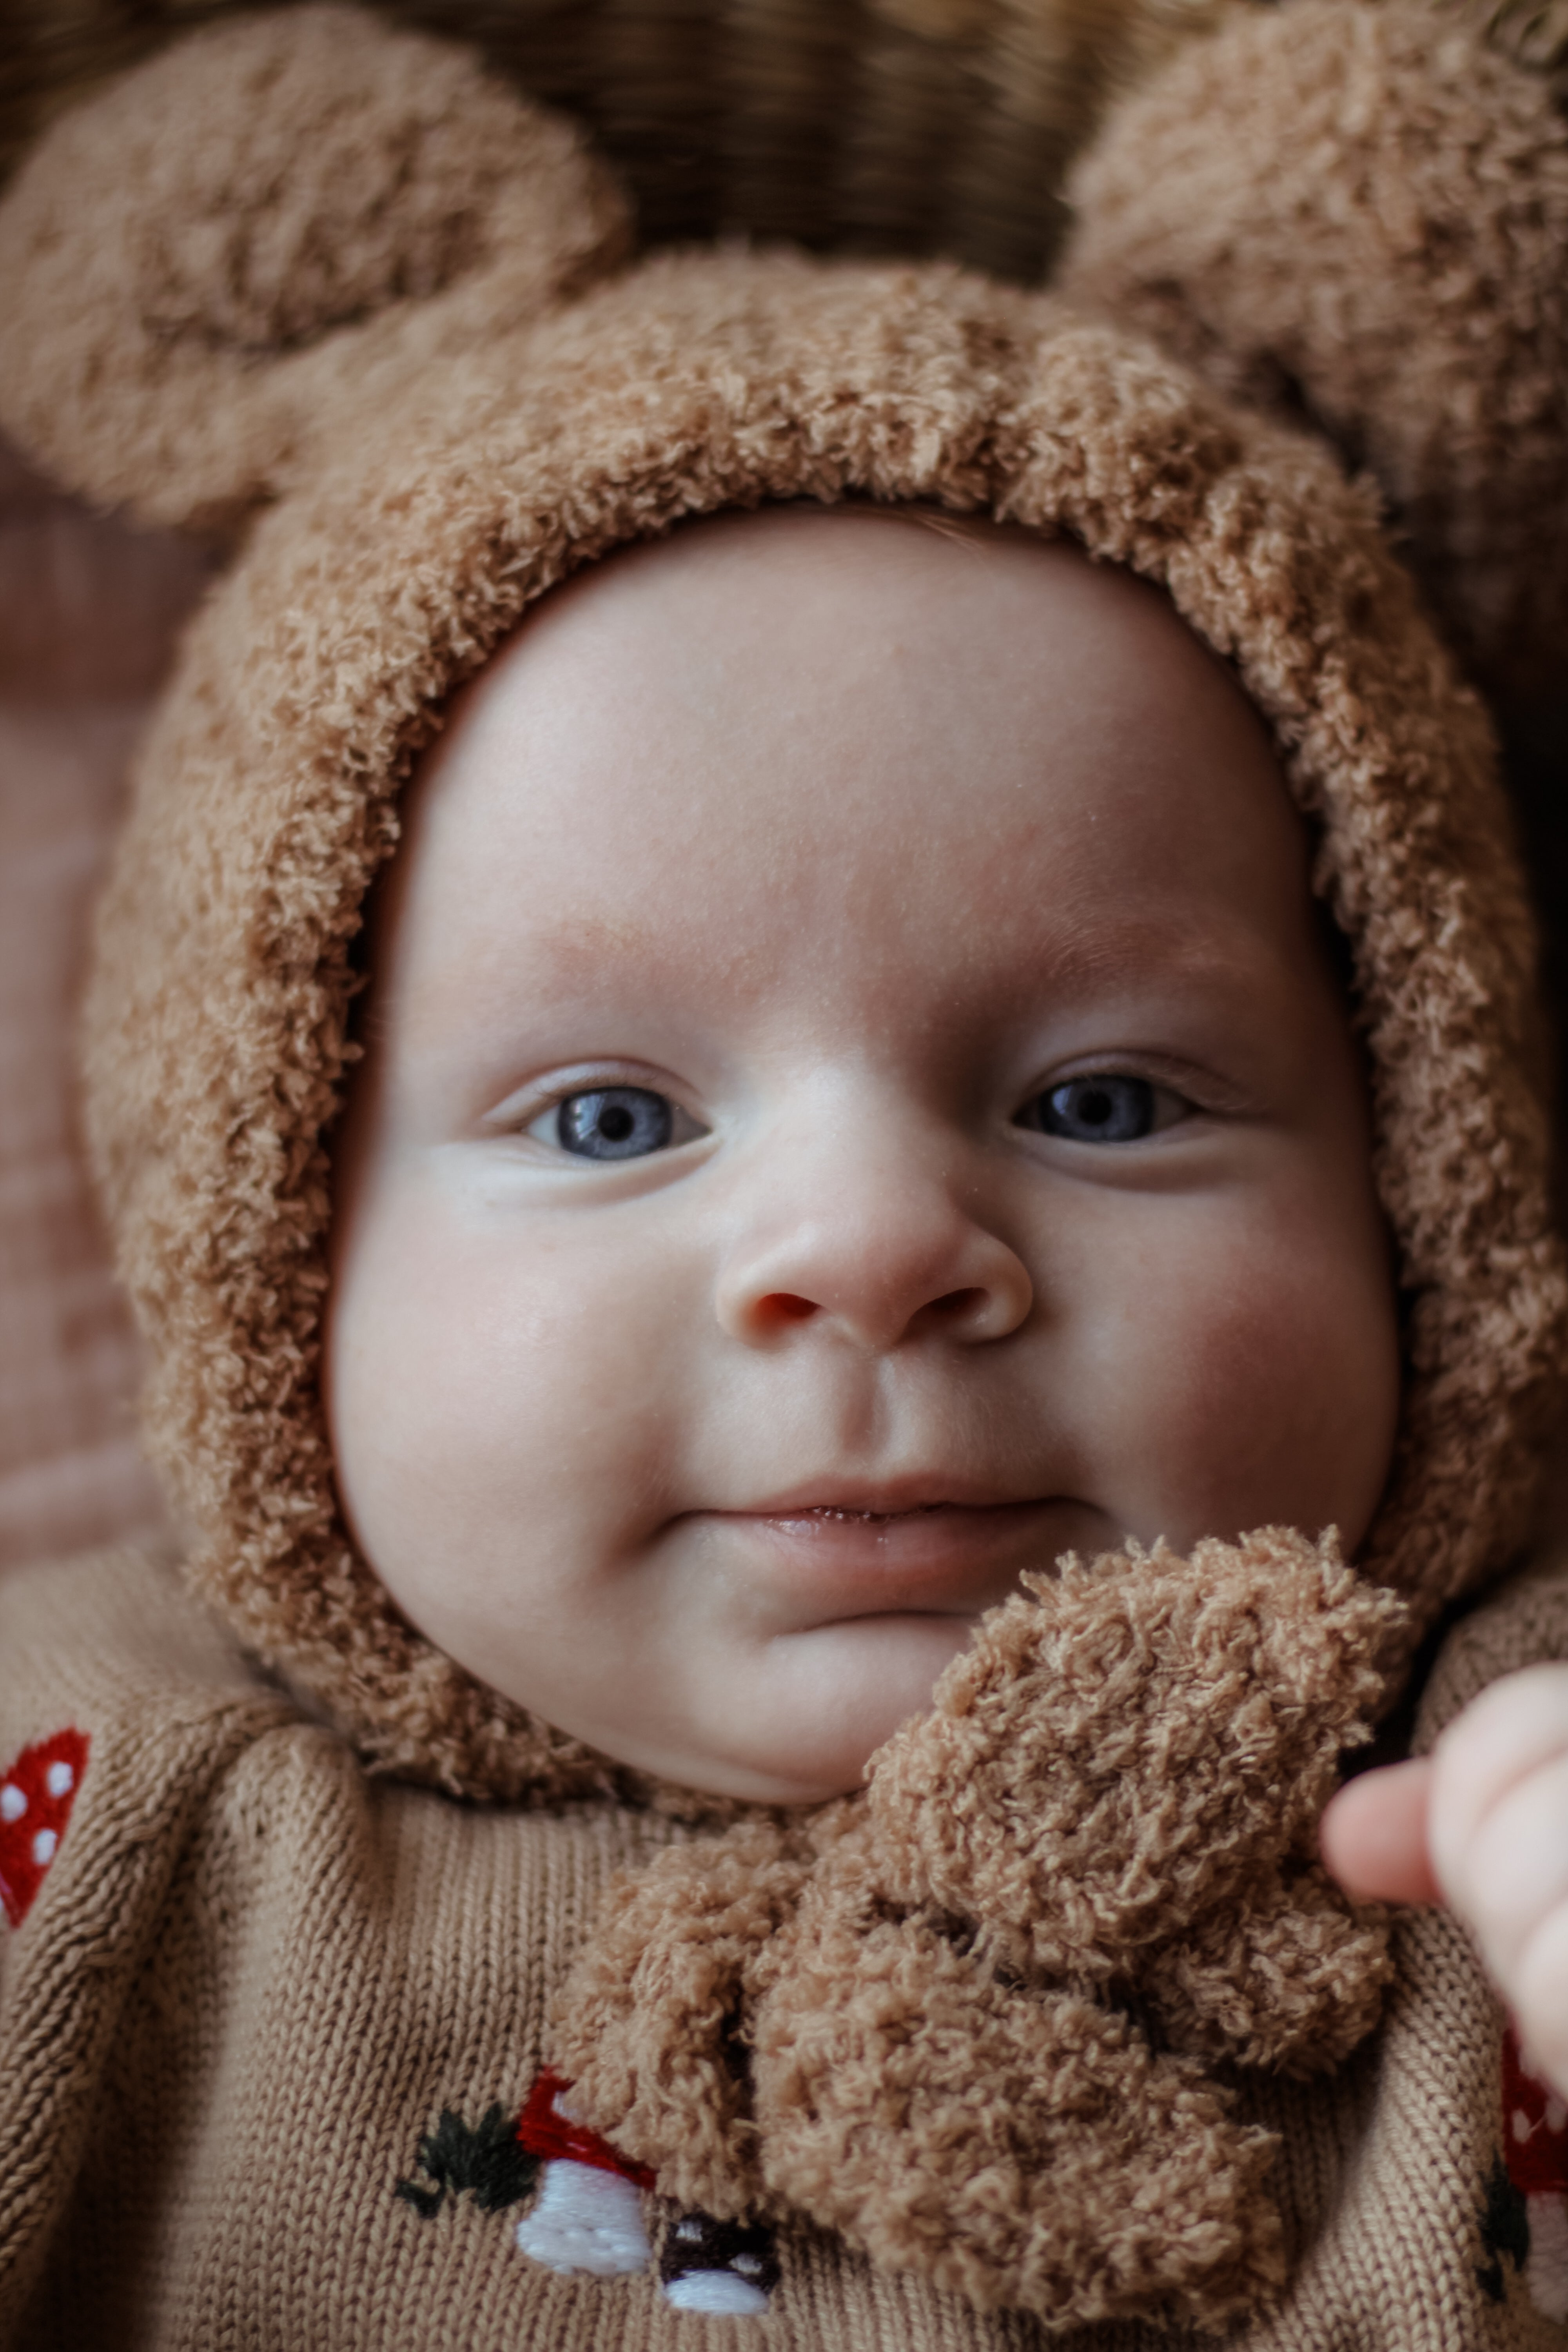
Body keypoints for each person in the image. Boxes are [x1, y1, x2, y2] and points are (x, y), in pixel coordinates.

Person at [0, 4, 1564, 2345]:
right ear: (270, 1256)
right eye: (612, 1118)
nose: (870, 1252)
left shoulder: (1505, 1807)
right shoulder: (116, 1800)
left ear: (1430, 1207)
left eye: (1107, 1101)